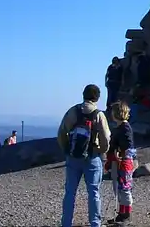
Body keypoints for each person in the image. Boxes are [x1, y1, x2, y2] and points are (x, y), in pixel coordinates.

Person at [58, 84, 111, 227]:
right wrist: (101, 150)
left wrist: (67, 149)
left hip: (73, 156)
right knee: (94, 192)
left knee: (70, 192)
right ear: (97, 98)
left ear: (83, 95)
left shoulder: (73, 111)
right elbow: (106, 138)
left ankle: (66, 223)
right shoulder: (98, 115)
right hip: (92, 157)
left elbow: (62, 132)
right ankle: (95, 223)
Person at [105, 101, 136, 225]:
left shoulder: (125, 127)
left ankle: (126, 215)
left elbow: (129, 146)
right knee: (120, 188)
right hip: (118, 161)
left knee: (125, 188)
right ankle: (121, 213)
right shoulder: (119, 127)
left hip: (124, 162)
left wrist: (120, 154)